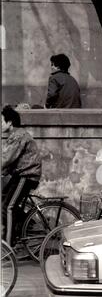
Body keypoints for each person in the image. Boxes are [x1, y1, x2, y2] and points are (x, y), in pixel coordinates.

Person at [2, 105, 41, 245]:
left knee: (8, 207)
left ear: (9, 122)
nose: (0, 125)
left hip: (27, 175)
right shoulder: (16, 135)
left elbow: (6, 159)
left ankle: (8, 245)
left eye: (1, 121)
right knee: (4, 199)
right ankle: (24, 223)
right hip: (21, 173)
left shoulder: (18, 136)